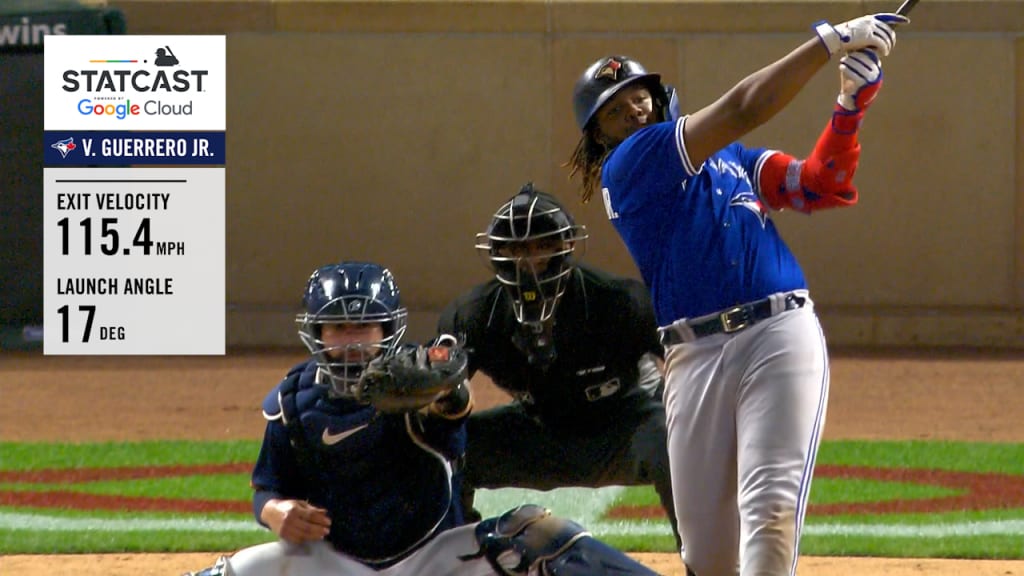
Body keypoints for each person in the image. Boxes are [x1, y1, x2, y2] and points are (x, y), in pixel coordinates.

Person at [565, 13, 908, 576]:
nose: (631, 109)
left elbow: (816, 183)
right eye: (612, 109)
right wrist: (830, 42)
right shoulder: (629, 166)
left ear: (659, 96)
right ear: (599, 136)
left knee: (770, 514)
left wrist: (849, 108)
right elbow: (744, 106)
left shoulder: (730, 159)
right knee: (708, 554)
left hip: (778, 334)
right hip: (692, 356)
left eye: (637, 96)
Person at [183, 261, 663, 576]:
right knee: (230, 573)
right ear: (317, 333)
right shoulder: (292, 402)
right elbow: (266, 486)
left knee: (535, 533)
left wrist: (445, 396)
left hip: (435, 560)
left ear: (388, 330)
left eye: (364, 326)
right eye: (338, 327)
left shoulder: (417, 380)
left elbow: (453, 425)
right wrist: (275, 512)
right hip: (337, 564)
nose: (351, 340)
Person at [438, 183, 681, 551]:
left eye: (541, 246)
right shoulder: (473, 315)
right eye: (517, 248)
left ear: (564, 247)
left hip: (621, 431)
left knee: (677, 436)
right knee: (444, 446)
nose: (528, 260)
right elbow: (439, 398)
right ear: (499, 253)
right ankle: (454, 557)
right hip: (538, 431)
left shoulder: (620, 301)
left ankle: (706, 562)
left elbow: (689, 366)